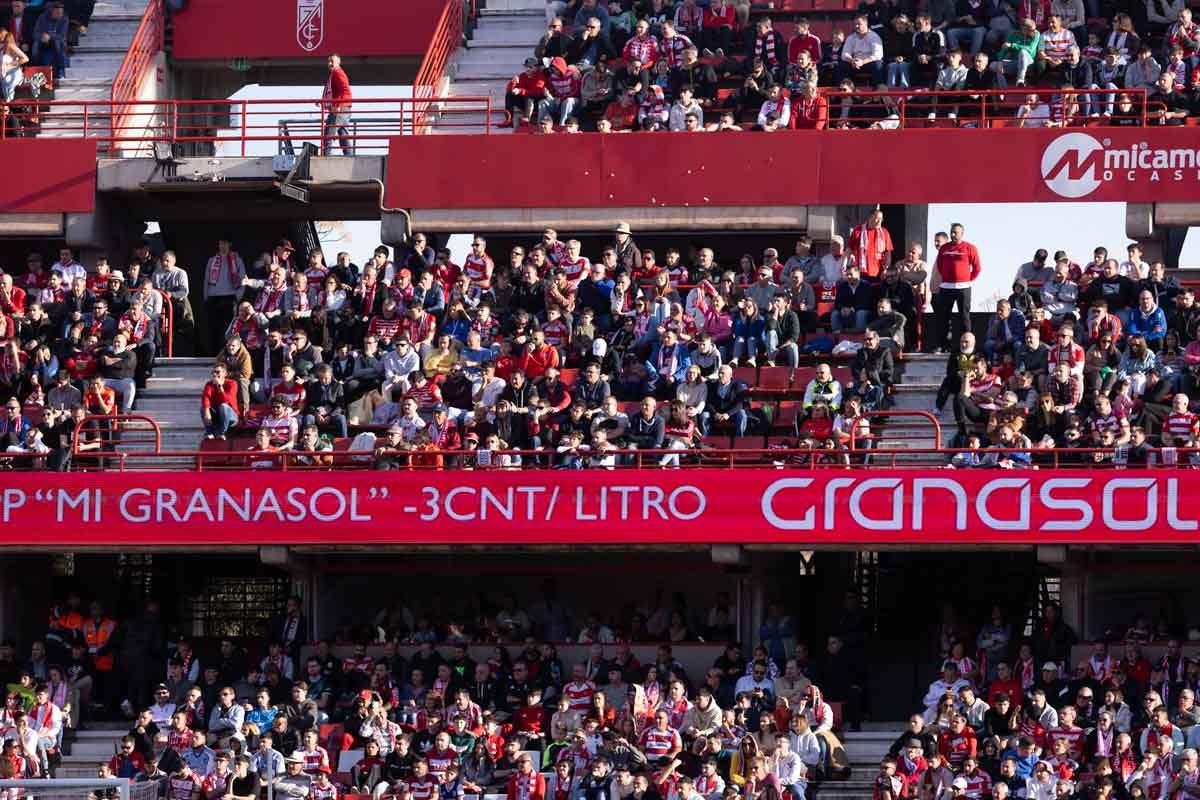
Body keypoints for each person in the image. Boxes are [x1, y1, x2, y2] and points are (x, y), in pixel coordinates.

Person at [933, 223, 982, 354]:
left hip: (963, 288)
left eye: (956, 232)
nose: (953, 234)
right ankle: (943, 345)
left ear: (962, 233)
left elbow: (977, 268)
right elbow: (940, 265)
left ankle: (967, 347)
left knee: (964, 317)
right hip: (946, 287)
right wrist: (949, 278)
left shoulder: (970, 248)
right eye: (952, 232)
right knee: (943, 317)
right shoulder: (944, 248)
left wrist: (966, 279)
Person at [321, 53, 353, 156]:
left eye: (332, 61)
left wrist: (338, 105)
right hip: (345, 108)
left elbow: (345, 90)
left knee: (329, 134)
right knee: (343, 135)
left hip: (340, 108)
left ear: (338, 62)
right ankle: (349, 157)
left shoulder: (337, 72)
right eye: (329, 61)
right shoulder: (337, 72)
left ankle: (326, 158)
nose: (330, 63)